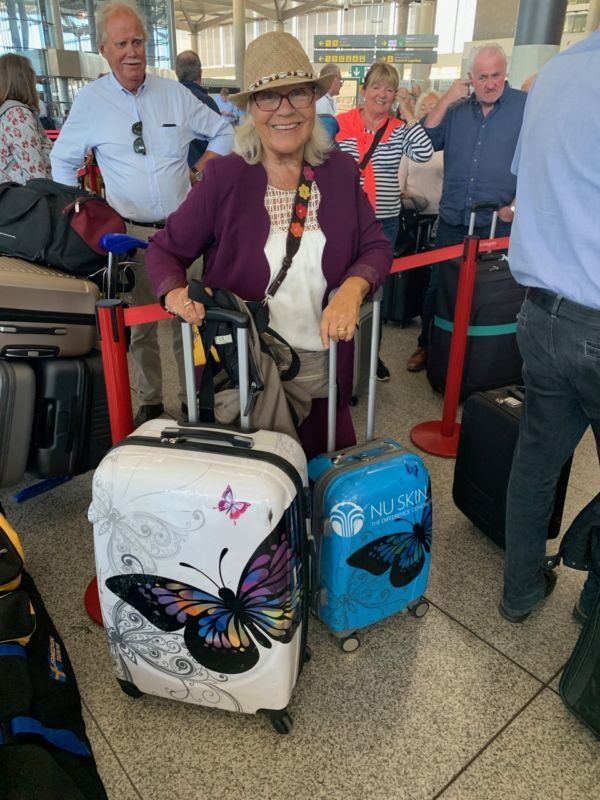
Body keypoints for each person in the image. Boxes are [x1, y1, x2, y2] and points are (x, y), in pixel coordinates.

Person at [145, 31, 392, 459]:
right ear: (250, 110)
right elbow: (164, 249)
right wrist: (175, 293)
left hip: (324, 376)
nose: (285, 109)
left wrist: (353, 289)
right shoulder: (225, 178)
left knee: (324, 482)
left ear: (313, 100)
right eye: (268, 97)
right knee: (257, 487)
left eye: (297, 93)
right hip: (248, 379)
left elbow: (376, 246)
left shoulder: (338, 171)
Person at [51, 2, 234, 427]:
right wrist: (83, 211)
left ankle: (193, 399)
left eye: (138, 41)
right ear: (104, 50)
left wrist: (199, 171)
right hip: (130, 237)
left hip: (184, 233)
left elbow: (224, 131)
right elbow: (62, 161)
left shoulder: (175, 94)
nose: (131, 52)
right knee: (140, 327)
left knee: (189, 320)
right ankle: (150, 400)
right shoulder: (90, 102)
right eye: (121, 44)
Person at [499, 29, 600, 625]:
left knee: (535, 465)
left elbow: (527, 180)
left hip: (540, 313)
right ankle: (594, 603)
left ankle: (520, 591)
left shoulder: (554, 75)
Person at [406, 43, 527, 373]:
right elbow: (425, 140)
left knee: (491, 295)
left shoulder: (524, 107)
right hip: (453, 220)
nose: (490, 84)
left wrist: (515, 207)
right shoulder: (456, 109)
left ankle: (482, 360)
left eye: (496, 76)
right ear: (470, 77)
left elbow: (539, 159)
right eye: (482, 77)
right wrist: (446, 98)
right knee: (439, 288)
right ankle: (428, 346)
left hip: (499, 225)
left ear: (506, 73)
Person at [336, 61, 433, 381]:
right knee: (340, 285)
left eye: (389, 89)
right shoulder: (341, 124)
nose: (382, 94)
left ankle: (369, 356)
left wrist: (408, 111)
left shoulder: (399, 128)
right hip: (345, 219)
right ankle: (339, 354)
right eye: (376, 87)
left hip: (384, 222)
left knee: (374, 288)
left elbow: (423, 153)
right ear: (363, 91)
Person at [0, 53, 52, 183]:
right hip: (26, 193)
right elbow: (35, 174)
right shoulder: (18, 114)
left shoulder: (5, 112)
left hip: (10, 192)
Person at [398, 91, 443, 215]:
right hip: (412, 209)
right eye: (423, 108)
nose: (427, 111)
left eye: (432, 107)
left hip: (441, 211)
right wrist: (401, 191)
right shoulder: (411, 139)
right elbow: (401, 174)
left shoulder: (448, 140)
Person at [175, 49, 221, 167]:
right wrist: (196, 172)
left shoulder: (167, 100)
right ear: (200, 73)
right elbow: (221, 144)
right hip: (202, 173)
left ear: (177, 72)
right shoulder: (207, 103)